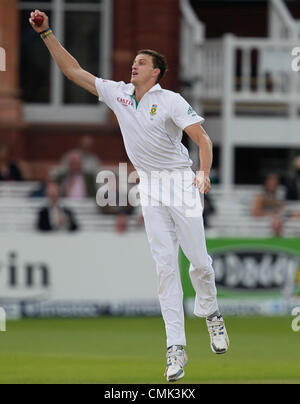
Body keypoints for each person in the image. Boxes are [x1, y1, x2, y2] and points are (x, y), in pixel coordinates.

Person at [29, 10, 229, 382]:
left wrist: (202, 174)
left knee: (199, 263)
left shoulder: (169, 100)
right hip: (150, 187)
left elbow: (202, 139)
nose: (133, 66)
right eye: (134, 61)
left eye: (141, 62)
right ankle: (176, 349)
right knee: (165, 269)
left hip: (181, 183)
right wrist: (46, 34)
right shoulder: (119, 94)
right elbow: (74, 72)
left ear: (156, 72)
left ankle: (212, 314)